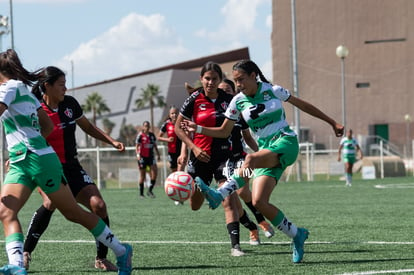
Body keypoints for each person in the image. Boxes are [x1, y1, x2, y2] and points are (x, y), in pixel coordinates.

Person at [183, 59, 344, 263]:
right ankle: (297, 235)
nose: (238, 84)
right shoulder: (237, 101)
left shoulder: (273, 90)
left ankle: (220, 194)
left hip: (286, 142)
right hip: (268, 150)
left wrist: (332, 122)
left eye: (241, 80)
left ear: (253, 76)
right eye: (235, 81)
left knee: (249, 159)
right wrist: (197, 129)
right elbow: (224, 131)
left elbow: (302, 105)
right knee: (259, 201)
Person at [0, 49, 132, 275]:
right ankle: (18, 266)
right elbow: (48, 127)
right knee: (6, 212)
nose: (65, 87)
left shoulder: (9, 88)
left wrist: (28, 144)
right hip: (25, 160)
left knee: (74, 213)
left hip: (38, 160)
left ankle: (121, 251)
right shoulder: (27, 93)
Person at [175, 61, 247, 256]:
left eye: (214, 79)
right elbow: (177, 128)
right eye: (207, 78)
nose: (210, 82)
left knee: (229, 199)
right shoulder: (194, 99)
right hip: (199, 158)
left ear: (219, 80)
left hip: (224, 157)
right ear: (202, 79)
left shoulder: (229, 100)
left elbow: (236, 127)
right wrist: (193, 148)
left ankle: (236, 246)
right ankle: (205, 191)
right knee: (195, 205)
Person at [218, 79, 275, 243]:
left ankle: (262, 221)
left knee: (242, 191)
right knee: (234, 203)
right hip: (224, 162)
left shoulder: (241, 112)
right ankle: (252, 228)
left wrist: (261, 153)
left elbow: (248, 137)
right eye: (222, 90)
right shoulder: (216, 115)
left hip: (242, 158)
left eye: (228, 89)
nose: (225, 92)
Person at [136, 120, 160, 198]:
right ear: (143, 127)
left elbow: (155, 145)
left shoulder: (152, 135)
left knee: (155, 173)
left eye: (148, 126)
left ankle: (150, 190)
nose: (147, 127)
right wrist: (138, 155)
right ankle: (141, 194)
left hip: (151, 157)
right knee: (142, 176)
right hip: (142, 157)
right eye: (145, 126)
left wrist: (158, 154)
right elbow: (137, 146)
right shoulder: (140, 135)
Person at [158, 106, 183, 173]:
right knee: (174, 171)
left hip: (181, 151)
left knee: (180, 170)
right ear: (169, 115)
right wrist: (168, 140)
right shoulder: (166, 124)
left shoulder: (182, 123)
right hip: (172, 152)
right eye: (172, 113)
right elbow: (158, 137)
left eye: (176, 113)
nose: (174, 115)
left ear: (179, 114)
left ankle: (182, 183)